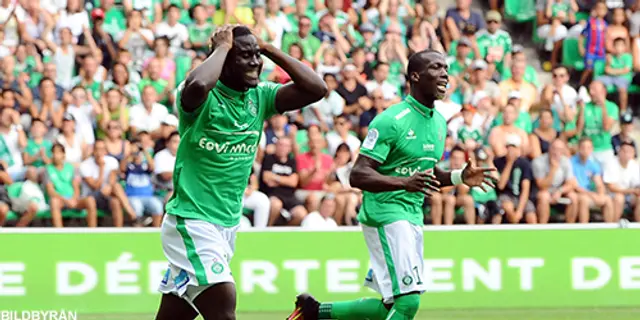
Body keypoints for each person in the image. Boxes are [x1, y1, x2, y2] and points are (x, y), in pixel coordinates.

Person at [287, 49, 496, 320]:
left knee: (390, 305)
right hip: (385, 213)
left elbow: (425, 172)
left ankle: (313, 313)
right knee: (408, 303)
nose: (445, 73)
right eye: (436, 68)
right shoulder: (390, 120)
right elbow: (358, 175)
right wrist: (402, 183)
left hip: (411, 215)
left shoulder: (439, 123)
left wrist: (458, 177)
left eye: (445, 67)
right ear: (415, 76)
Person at [155, 25, 326, 320]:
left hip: (226, 225)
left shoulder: (260, 97)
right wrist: (221, 47)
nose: (255, 63)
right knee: (224, 303)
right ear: (224, 61)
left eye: (256, 56)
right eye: (245, 56)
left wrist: (268, 48)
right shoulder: (201, 96)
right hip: (192, 220)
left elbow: (316, 89)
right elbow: (196, 86)